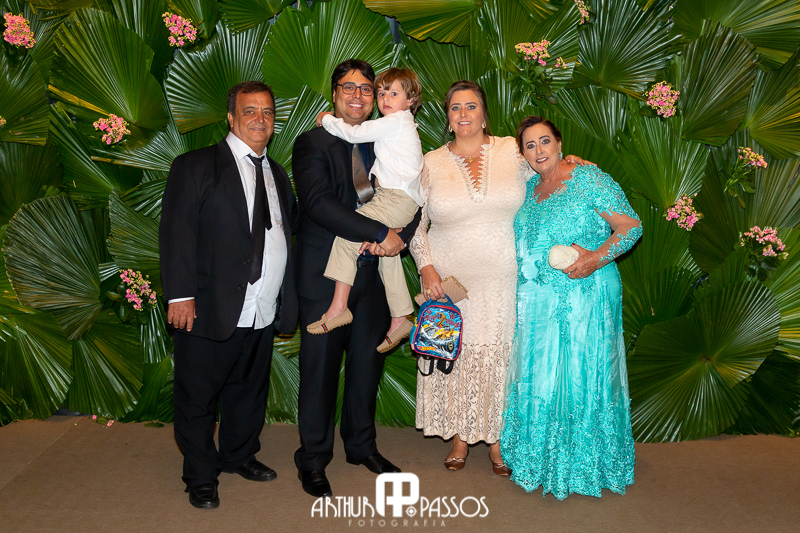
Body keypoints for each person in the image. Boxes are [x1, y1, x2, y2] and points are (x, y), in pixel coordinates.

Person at [159, 81, 297, 509]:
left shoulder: (278, 174)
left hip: (262, 306)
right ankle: (201, 475)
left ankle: (239, 455)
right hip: (209, 306)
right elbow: (177, 233)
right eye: (250, 111)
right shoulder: (195, 166)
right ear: (231, 117)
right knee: (198, 396)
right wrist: (180, 296)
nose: (260, 119)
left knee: (248, 390)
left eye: (268, 112)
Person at [292, 59, 421, 498]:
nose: (359, 95)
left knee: (367, 368)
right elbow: (318, 204)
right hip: (326, 276)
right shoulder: (312, 142)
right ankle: (313, 459)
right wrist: (380, 232)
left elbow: (411, 194)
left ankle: (362, 446)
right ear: (334, 94)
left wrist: (398, 237)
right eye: (349, 87)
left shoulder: (384, 136)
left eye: (367, 88)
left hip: (375, 276)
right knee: (320, 373)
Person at [499, 116, 640, 499]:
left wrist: (595, 257)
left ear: (560, 143)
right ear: (524, 154)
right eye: (530, 145)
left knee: (581, 374)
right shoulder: (529, 189)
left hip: (587, 295)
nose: (539, 150)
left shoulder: (589, 178)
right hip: (538, 303)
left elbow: (631, 226)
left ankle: (587, 464)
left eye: (545, 141)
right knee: (543, 378)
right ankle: (544, 461)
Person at [306, 67, 424, 353]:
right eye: (382, 93)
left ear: (410, 100)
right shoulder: (399, 126)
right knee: (386, 252)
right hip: (401, 200)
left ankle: (338, 307)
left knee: (349, 233)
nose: (385, 99)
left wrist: (326, 119)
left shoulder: (395, 122)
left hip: (395, 199)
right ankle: (400, 316)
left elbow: (353, 133)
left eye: (393, 93)